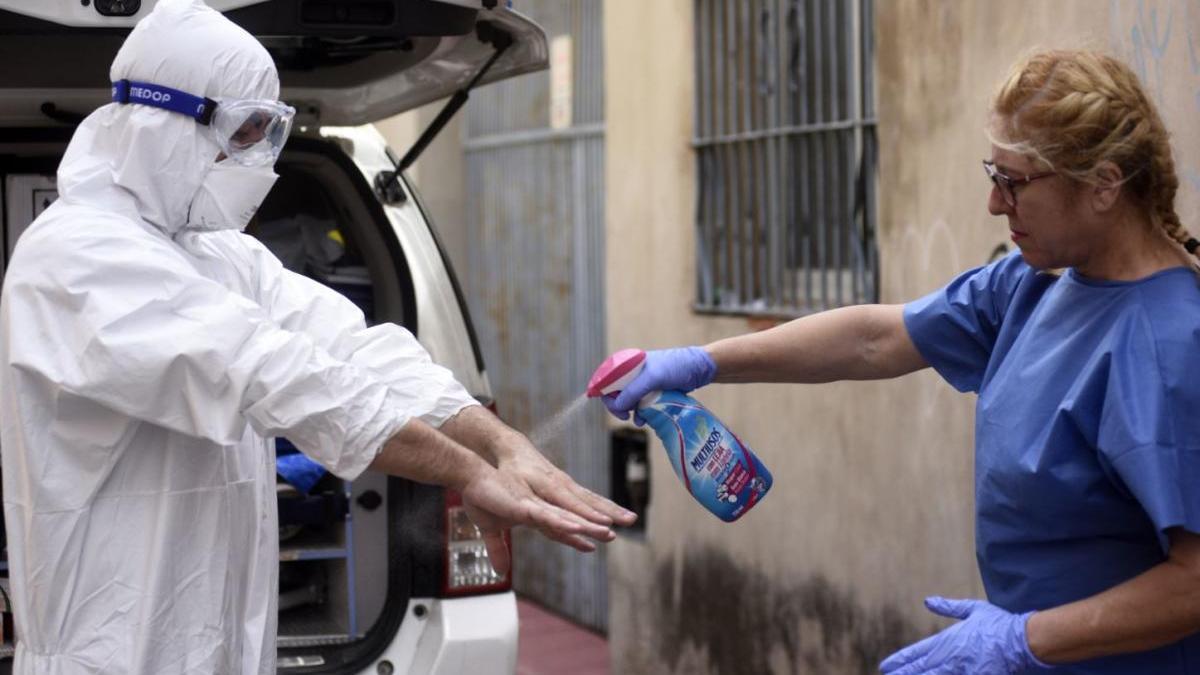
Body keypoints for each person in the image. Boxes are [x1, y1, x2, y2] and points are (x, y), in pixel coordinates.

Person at [0, 1, 634, 673]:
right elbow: (278, 374)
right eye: (245, 132)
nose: (258, 159)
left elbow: (352, 346)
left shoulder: (216, 254)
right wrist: (469, 473)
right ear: (165, 123)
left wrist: (504, 445)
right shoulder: (75, 258)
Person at [602, 49, 1200, 674]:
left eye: (1014, 182)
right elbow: (874, 338)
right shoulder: (1037, 285)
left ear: (1104, 184)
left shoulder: (1166, 347)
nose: (996, 206)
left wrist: (1024, 639)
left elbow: (1192, 583)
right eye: (991, 175)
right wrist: (698, 363)